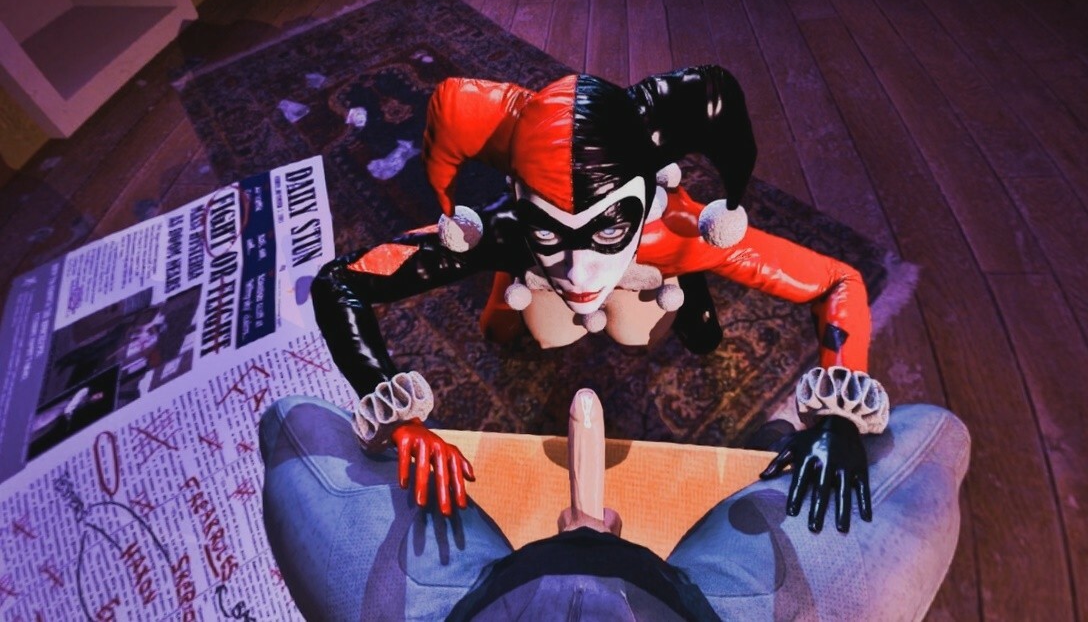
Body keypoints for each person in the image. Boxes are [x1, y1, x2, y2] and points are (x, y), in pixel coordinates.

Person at [311, 65, 889, 531]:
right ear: (520, 201)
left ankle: (676, 290)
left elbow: (838, 282)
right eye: (549, 231)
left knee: (627, 327)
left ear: (646, 197)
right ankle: (554, 284)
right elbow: (339, 283)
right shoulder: (507, 231)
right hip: (559, 264)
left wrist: (838, 418)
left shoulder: (681, 235)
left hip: (654, 265)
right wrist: (402, 424)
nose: (580, 269)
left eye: (608, 227)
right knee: (546, 328)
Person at [259, 392, 969, 620]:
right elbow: (929, 433)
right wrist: (838, 422)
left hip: (457, 610)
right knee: (933, 440)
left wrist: (396, 432)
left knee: (296, 428)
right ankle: (775, 443)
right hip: (709, 612)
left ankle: (777, 445)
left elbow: (296, 420)